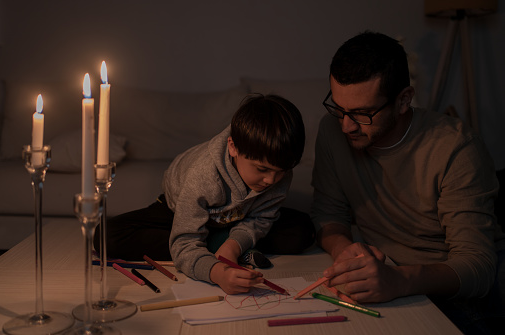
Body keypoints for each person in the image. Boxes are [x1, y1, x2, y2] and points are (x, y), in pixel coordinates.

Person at [311, 31, 505, 334]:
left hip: (449, 285)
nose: (346, 126)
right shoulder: (331, 130)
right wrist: (344, 250)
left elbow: (477, 267)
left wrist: (398, 280)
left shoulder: (456, 147)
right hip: (386, 278)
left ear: (403, 101)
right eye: (339, 108)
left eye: (362, 114)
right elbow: (328, 214)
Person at [96, 94, 315, 294]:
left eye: (281, 172)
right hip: (180, 209)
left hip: (238, 216)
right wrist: (217, 272)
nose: (271, 181)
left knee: (303, 230)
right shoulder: (203, 175)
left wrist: (233, 246)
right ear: (233, 147)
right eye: (262, 169)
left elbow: (262, 218)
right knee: (106, 236)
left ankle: (218, 243)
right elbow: (185, 239)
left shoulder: (279, 171)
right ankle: (208, 245)